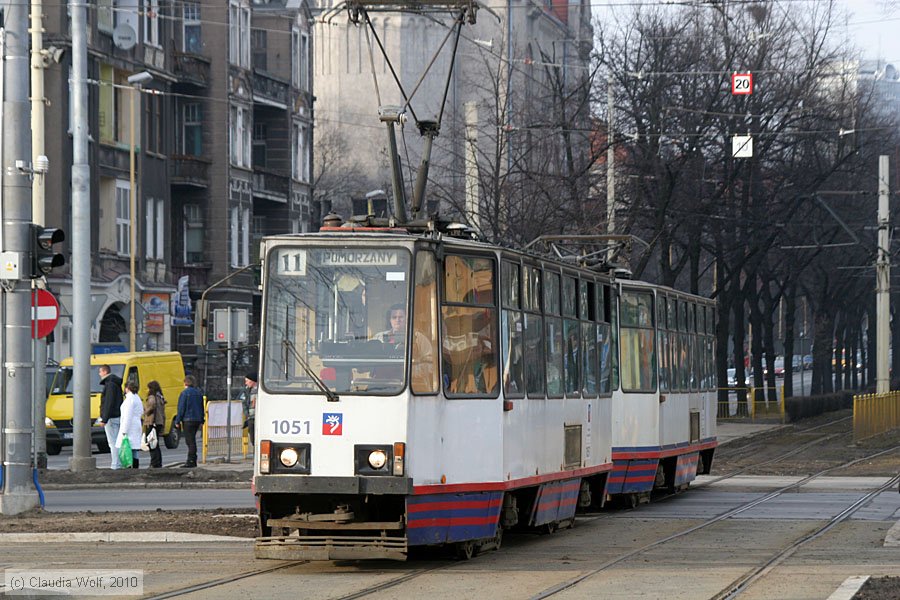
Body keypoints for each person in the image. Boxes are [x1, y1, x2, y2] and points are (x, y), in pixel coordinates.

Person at [96, 365, 123, 469]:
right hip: (116, 416)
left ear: (104, 371)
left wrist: (104, 419)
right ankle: (118, 463)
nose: (99, 374)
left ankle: (115, 464)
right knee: (117, 441)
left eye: (100, 372)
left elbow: (108, 403)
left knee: (113, 442)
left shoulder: (110, 384)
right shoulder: (115, 383)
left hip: (111, 418)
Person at [175, 375, 204, 468]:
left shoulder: (184, 393)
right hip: (197, 419)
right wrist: (202, 419)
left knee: (190, 441)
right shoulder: (198, 393)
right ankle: (193, 459)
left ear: (185, 383)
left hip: (187, 419)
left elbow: (181, 408)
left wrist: (177, 420)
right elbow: (201, 407)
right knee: (192, 440)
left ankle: (191, 461)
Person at [116, 381, 144, 469]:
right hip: (136, 425)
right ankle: (135, 467)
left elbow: (127, 416)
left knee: (127, 448)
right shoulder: (137, 398)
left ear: (127, 388)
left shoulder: (129, 400)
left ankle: (129, 467)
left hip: (130, 427)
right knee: (134, 449)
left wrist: (124, 430)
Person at [143, 380, 166, 468]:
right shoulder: (160, 396)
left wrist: (145, 411)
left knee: (151, 443)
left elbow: (151, 406)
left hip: (152, 422)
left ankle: (154, 462)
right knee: (155, 443)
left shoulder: (152, 397)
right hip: (159, 422)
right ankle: (158, 462)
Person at [243, 372, 258, 447]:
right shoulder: (247, 391)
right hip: (251, 418)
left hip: (259, 418)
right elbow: (244, 403)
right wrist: (247, 414)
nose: (246, 383)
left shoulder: (261, 390)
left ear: (252, 381)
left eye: (247, 381)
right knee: (252, 438)